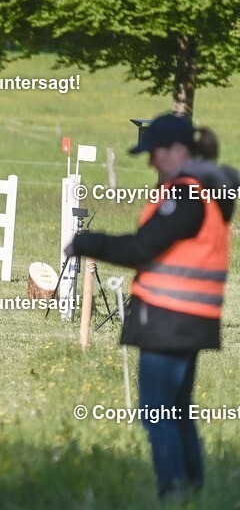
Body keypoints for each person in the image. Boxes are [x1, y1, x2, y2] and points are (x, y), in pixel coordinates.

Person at [66, 113, 238, 500]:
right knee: (177, 411)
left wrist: (87, 243)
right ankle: (193, 491)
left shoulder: (186, 195)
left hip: (169, 319)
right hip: (190, 319)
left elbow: (142, 248)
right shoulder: (206, 192)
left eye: (154, 152)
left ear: (178, 150)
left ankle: (173, 492)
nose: (150, 162)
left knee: (157, 413)